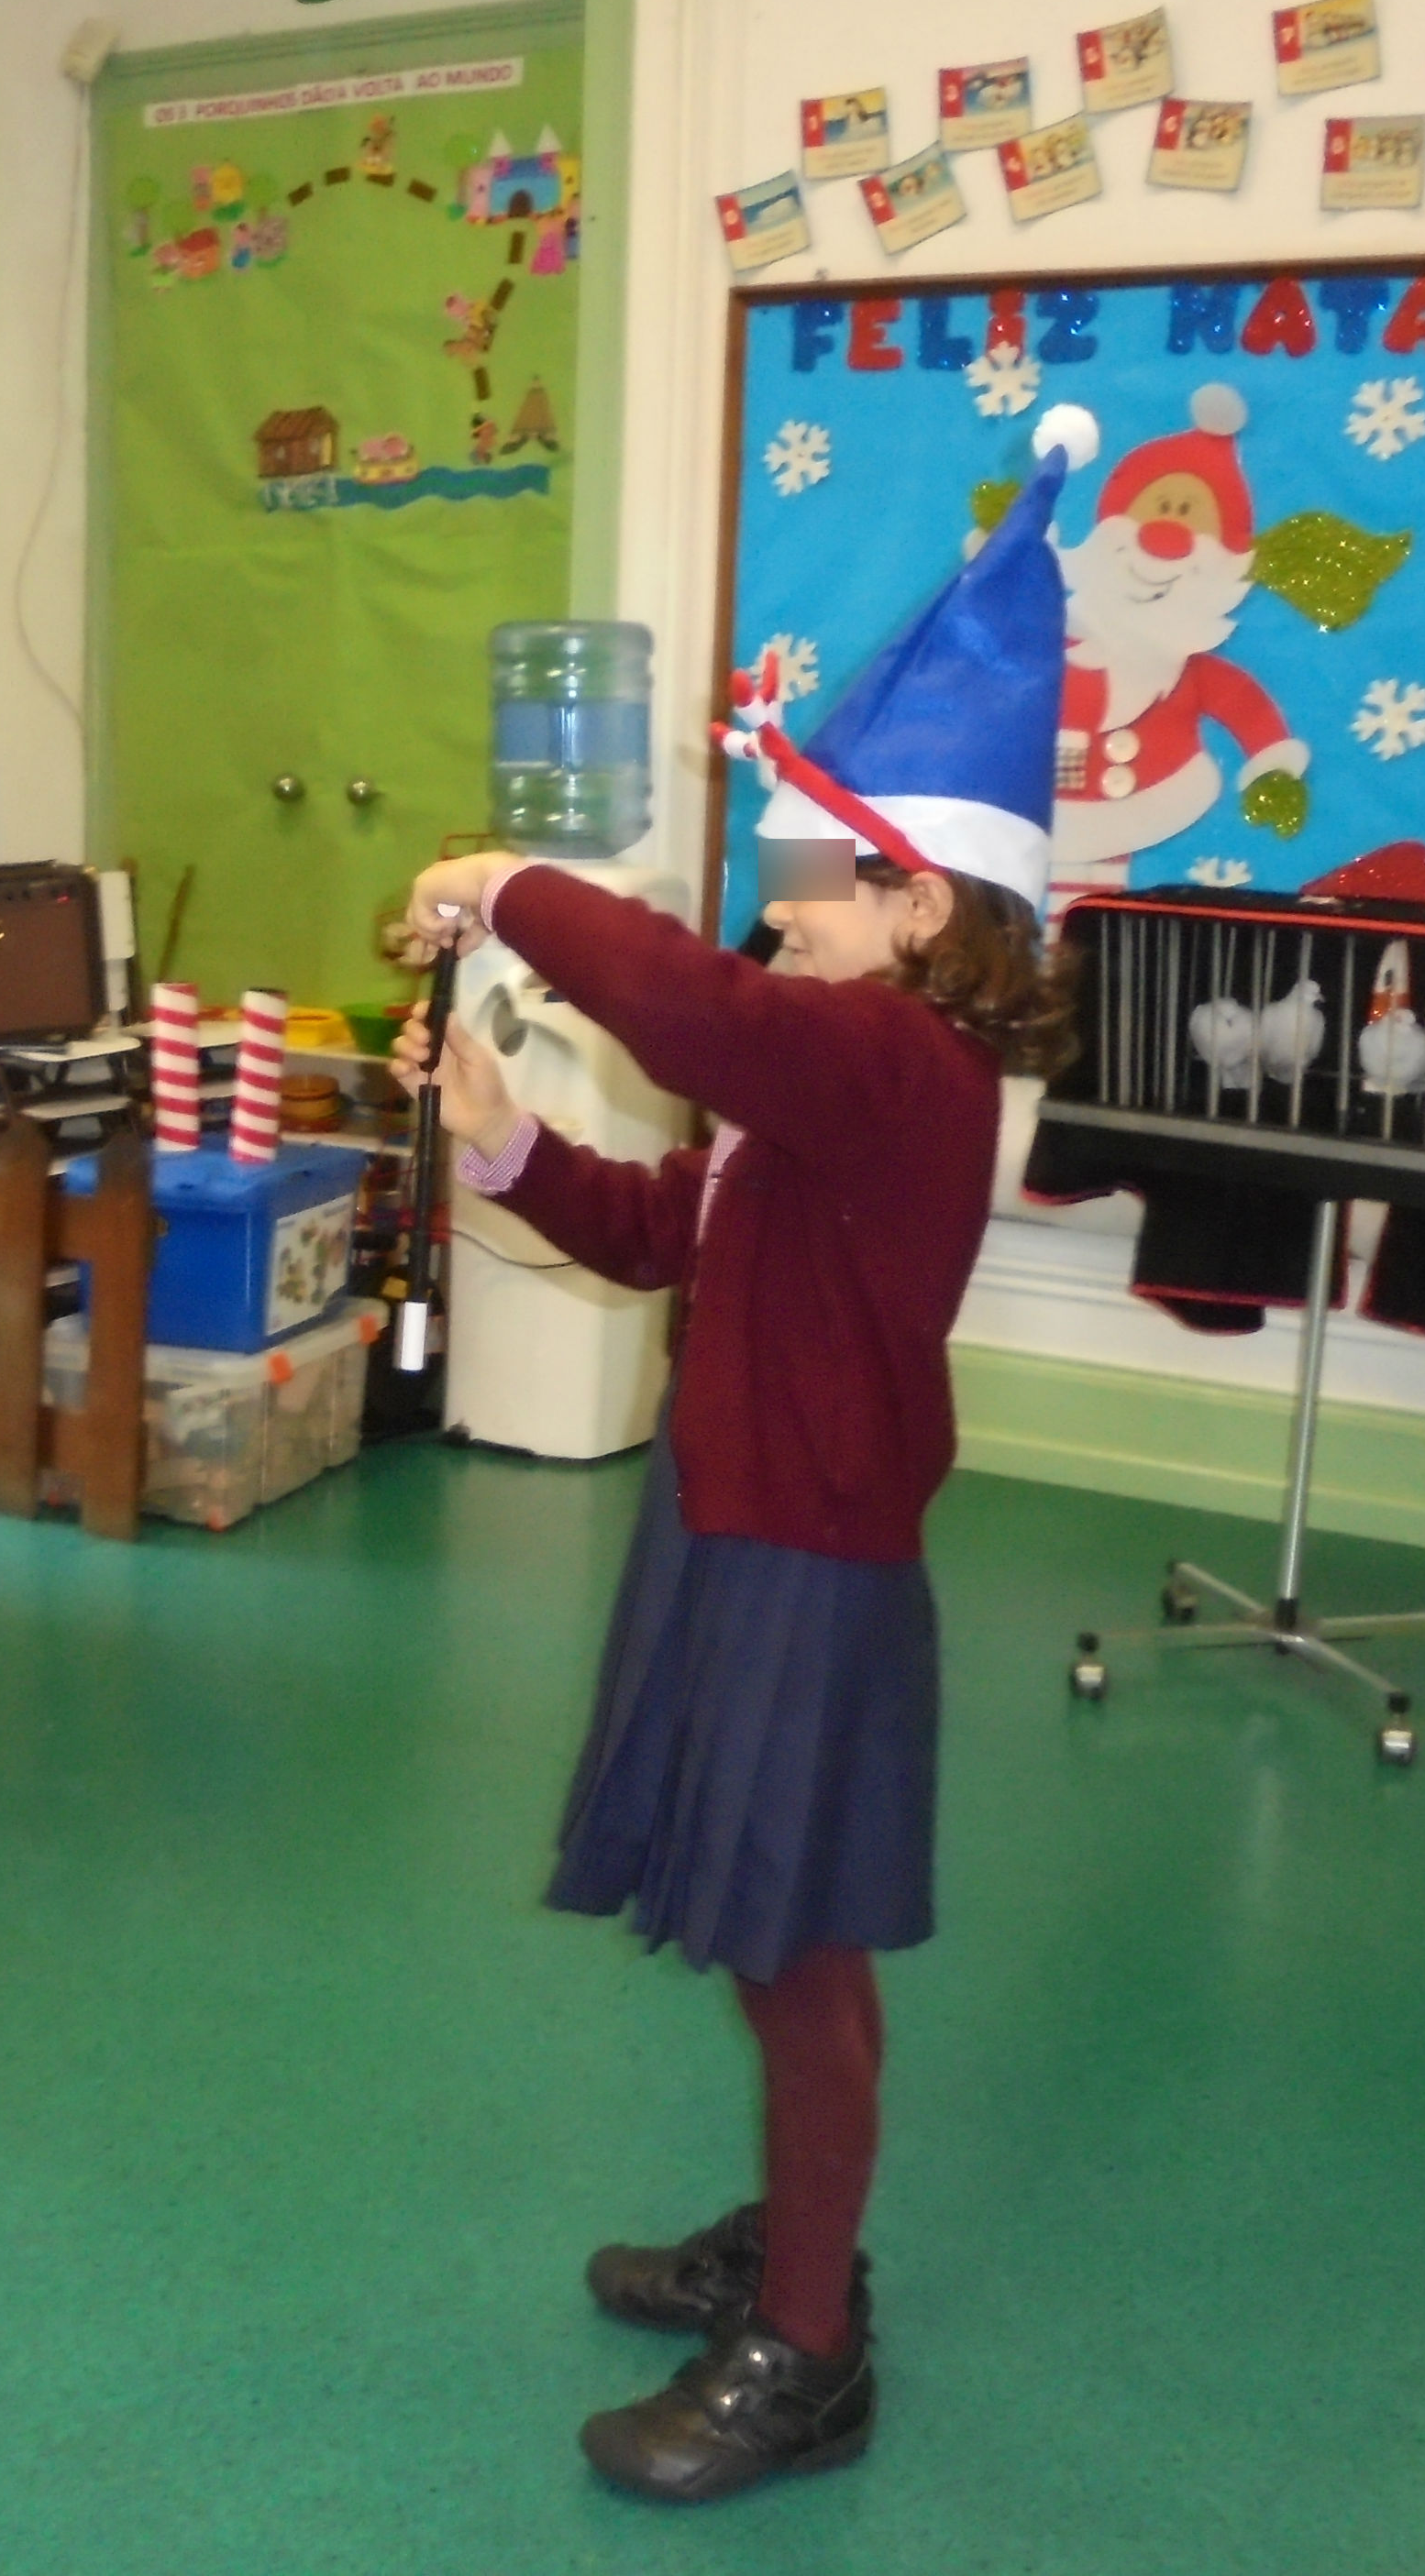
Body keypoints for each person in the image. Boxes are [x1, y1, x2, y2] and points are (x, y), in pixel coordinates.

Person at [386, 408, 1096, 2503]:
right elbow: (654, 1228)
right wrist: (500, 1137)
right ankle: (792, 2243)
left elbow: (697, 1011)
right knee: (765, 1928)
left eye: (804, 890)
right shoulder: (813, 1090)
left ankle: (808, 2341)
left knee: (797, 1957)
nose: (773, 920)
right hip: (731, 1528)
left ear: (921, 905)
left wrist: (504, 880)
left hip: (810, 1559)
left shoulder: (899, 1067)